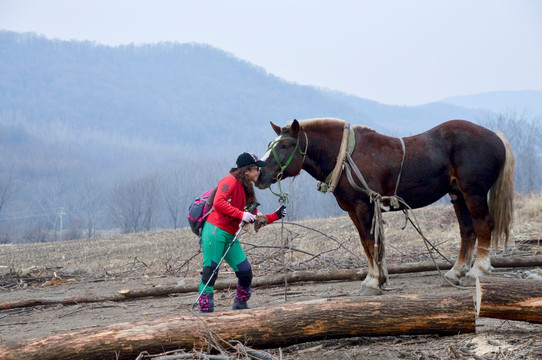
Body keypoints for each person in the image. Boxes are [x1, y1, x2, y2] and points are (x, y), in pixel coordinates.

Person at [198, 152, 286, 313]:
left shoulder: (247, 189)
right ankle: (205, 309)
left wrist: (276, 215)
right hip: (215, 231)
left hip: (230, 234)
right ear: (247, 171)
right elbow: (218, 202)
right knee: (211, 271)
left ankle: (240, 304)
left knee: (245, 272)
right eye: (256, 169)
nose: (259, 171)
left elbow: (256, 221)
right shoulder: (229, 181)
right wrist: (240, 214)